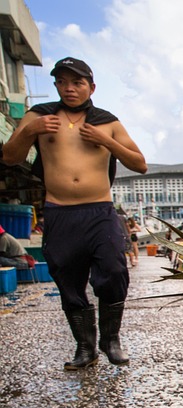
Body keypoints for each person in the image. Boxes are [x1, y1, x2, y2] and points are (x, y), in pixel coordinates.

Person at [1, 57, 147, 370]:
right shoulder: (40, 116)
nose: (69, 88)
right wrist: (31, 132)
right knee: (67, 277)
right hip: (60, 212)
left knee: (113, 271)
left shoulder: (106, 121)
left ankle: (111, 340)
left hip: (99, 210)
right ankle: (85, 347)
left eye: (77, 82)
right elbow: (10, 157)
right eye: (62, 82)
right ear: (56, 85)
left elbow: (139, 163)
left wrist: (105, 140)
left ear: (91, 87)